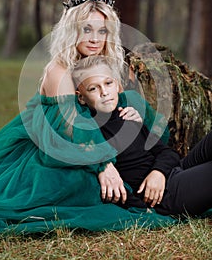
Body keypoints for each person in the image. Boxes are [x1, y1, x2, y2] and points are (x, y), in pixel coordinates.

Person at [0, 0, 175, 237]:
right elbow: (72, 127)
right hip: (59, 148)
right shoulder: (59, 71)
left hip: (100, 145)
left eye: (102, 30)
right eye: (86, 30)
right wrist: (103, 165)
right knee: (81, 187)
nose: (95, 39)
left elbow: (120, 106)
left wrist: (134, 115)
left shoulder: (111, 63)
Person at [72, 55, 212, 217]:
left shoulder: (126, 115)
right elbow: (112, 187)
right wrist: (140, 206)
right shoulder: (91, 131)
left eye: (108, 83)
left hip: (171, 172)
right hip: (165, 196)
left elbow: (167, 152)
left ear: (117, 85)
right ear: (81, 97)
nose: (104, 92)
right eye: (93, 88)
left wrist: (158, 172)